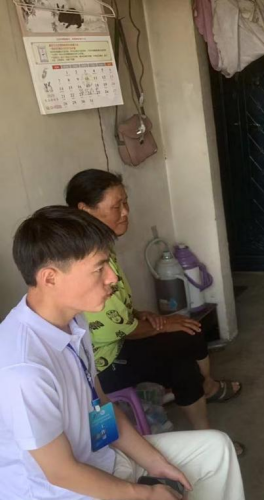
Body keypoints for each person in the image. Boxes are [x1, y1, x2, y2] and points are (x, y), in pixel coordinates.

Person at [0, 207, 264, 500]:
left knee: (215, 449)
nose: (112, 277)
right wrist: (146, 494)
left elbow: (102, 407)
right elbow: (61, 474)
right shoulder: (23, 369)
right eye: (99, 268)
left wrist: (156, 463)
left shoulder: (71, 324)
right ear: (50, 278)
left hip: (96, 460)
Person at [65, 169, 246, 456]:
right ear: (85, 210)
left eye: (126, 202)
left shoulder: (101, 247)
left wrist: (140, 314)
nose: (126, 212)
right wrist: (164, 325)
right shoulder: (81, 258)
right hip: (103, 364)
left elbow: (113, 307)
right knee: (183, 344)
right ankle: (208, 413)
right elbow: (112, 327)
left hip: (117, 344)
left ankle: (207, 429)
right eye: (117, 205)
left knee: (187, 338)